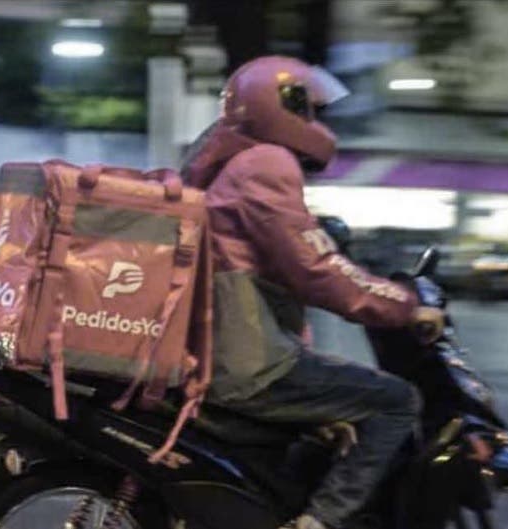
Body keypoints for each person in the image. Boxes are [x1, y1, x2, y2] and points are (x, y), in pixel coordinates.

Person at [181, 56, 445, 529]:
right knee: (396, 401)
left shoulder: (229, 162)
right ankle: (320, 521)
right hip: (248, 362)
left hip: (223, 350)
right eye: (310, 111)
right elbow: (315, 268)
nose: (316, 124)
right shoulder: (266, 164)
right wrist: (404, 306)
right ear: (284, 106)